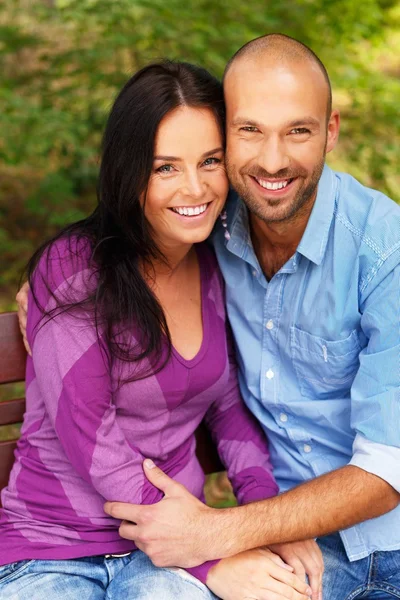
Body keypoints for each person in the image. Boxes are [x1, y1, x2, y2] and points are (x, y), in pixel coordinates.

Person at [99, 34, 400, 600]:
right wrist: (45, 281)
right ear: (225, 135)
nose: (272, 160)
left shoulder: (386, 253)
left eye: (299, 131)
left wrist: (221, 533)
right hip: (284, 543)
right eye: (250, 130)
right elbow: (125, 220)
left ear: (331, 130)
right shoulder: (210, 217)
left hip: (384, 544)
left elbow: (389, 471)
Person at [1, 60, 314, 600]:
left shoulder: (217, 265)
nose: (194, 187)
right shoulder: (73, 270)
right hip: (52, 550)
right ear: (128, 171)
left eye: (209, 161)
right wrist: (214, 558)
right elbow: (95, 446)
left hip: (164, 560)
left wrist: (264, 521)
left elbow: (228, 411)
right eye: (165, 167)